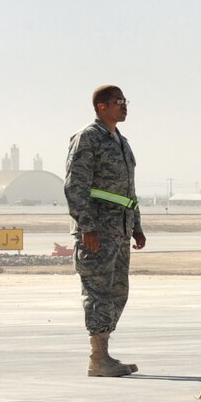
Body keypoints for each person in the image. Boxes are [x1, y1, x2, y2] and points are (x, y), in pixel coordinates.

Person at [65, 85, 147, 377]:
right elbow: (76, 184)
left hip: (120, 231)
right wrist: (87, 225)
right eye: (118, 102)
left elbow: (128, 190)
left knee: (117, 292)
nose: (125, 106)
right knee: (98, 291)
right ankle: (97, 358)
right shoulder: (89, 138)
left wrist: (136, 226)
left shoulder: (121, 142)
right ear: (101, 106)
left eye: (126, 101)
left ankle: (105, 354)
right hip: (97, 230)